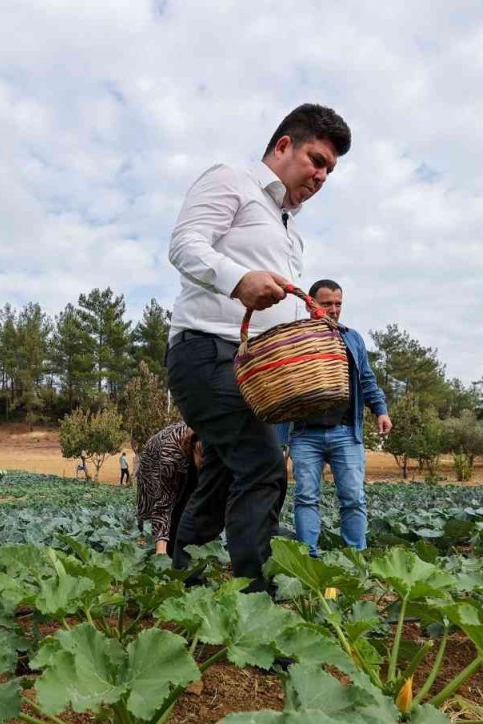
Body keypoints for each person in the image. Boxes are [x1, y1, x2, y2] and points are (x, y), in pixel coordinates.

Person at [165, 103, 351, 591]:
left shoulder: (290, 231)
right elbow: (185, 244)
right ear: (284, 145)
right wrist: (237, 279)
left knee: (225, 472)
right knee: (265, 466)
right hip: (208, 351)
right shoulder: (231, 180)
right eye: (317, 159)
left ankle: (186, 584)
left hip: (257, 370)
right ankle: (256, 598)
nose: (322, 174)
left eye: (330, 168)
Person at [289, 280, 391, 554]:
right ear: (310, 304)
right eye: (326, 304)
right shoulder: (295, 338)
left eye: (338, 304)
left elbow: (367, 379)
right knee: (306, 498)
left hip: (346, 432)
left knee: (353, 499)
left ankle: (355, 558)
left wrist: (380, 410)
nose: (333, 309)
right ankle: (308, 558)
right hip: (304, 434)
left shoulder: (352, 338)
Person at [136, 423, 203, 555]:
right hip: (156, 458)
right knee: (175, 503)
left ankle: (188, 547)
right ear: (195, 448)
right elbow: (163, 506)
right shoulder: (170, 457)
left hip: (187, 455)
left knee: (194, 500)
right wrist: (161, 553)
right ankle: (169, 550)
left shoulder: (215, 438)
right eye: (204, 461)